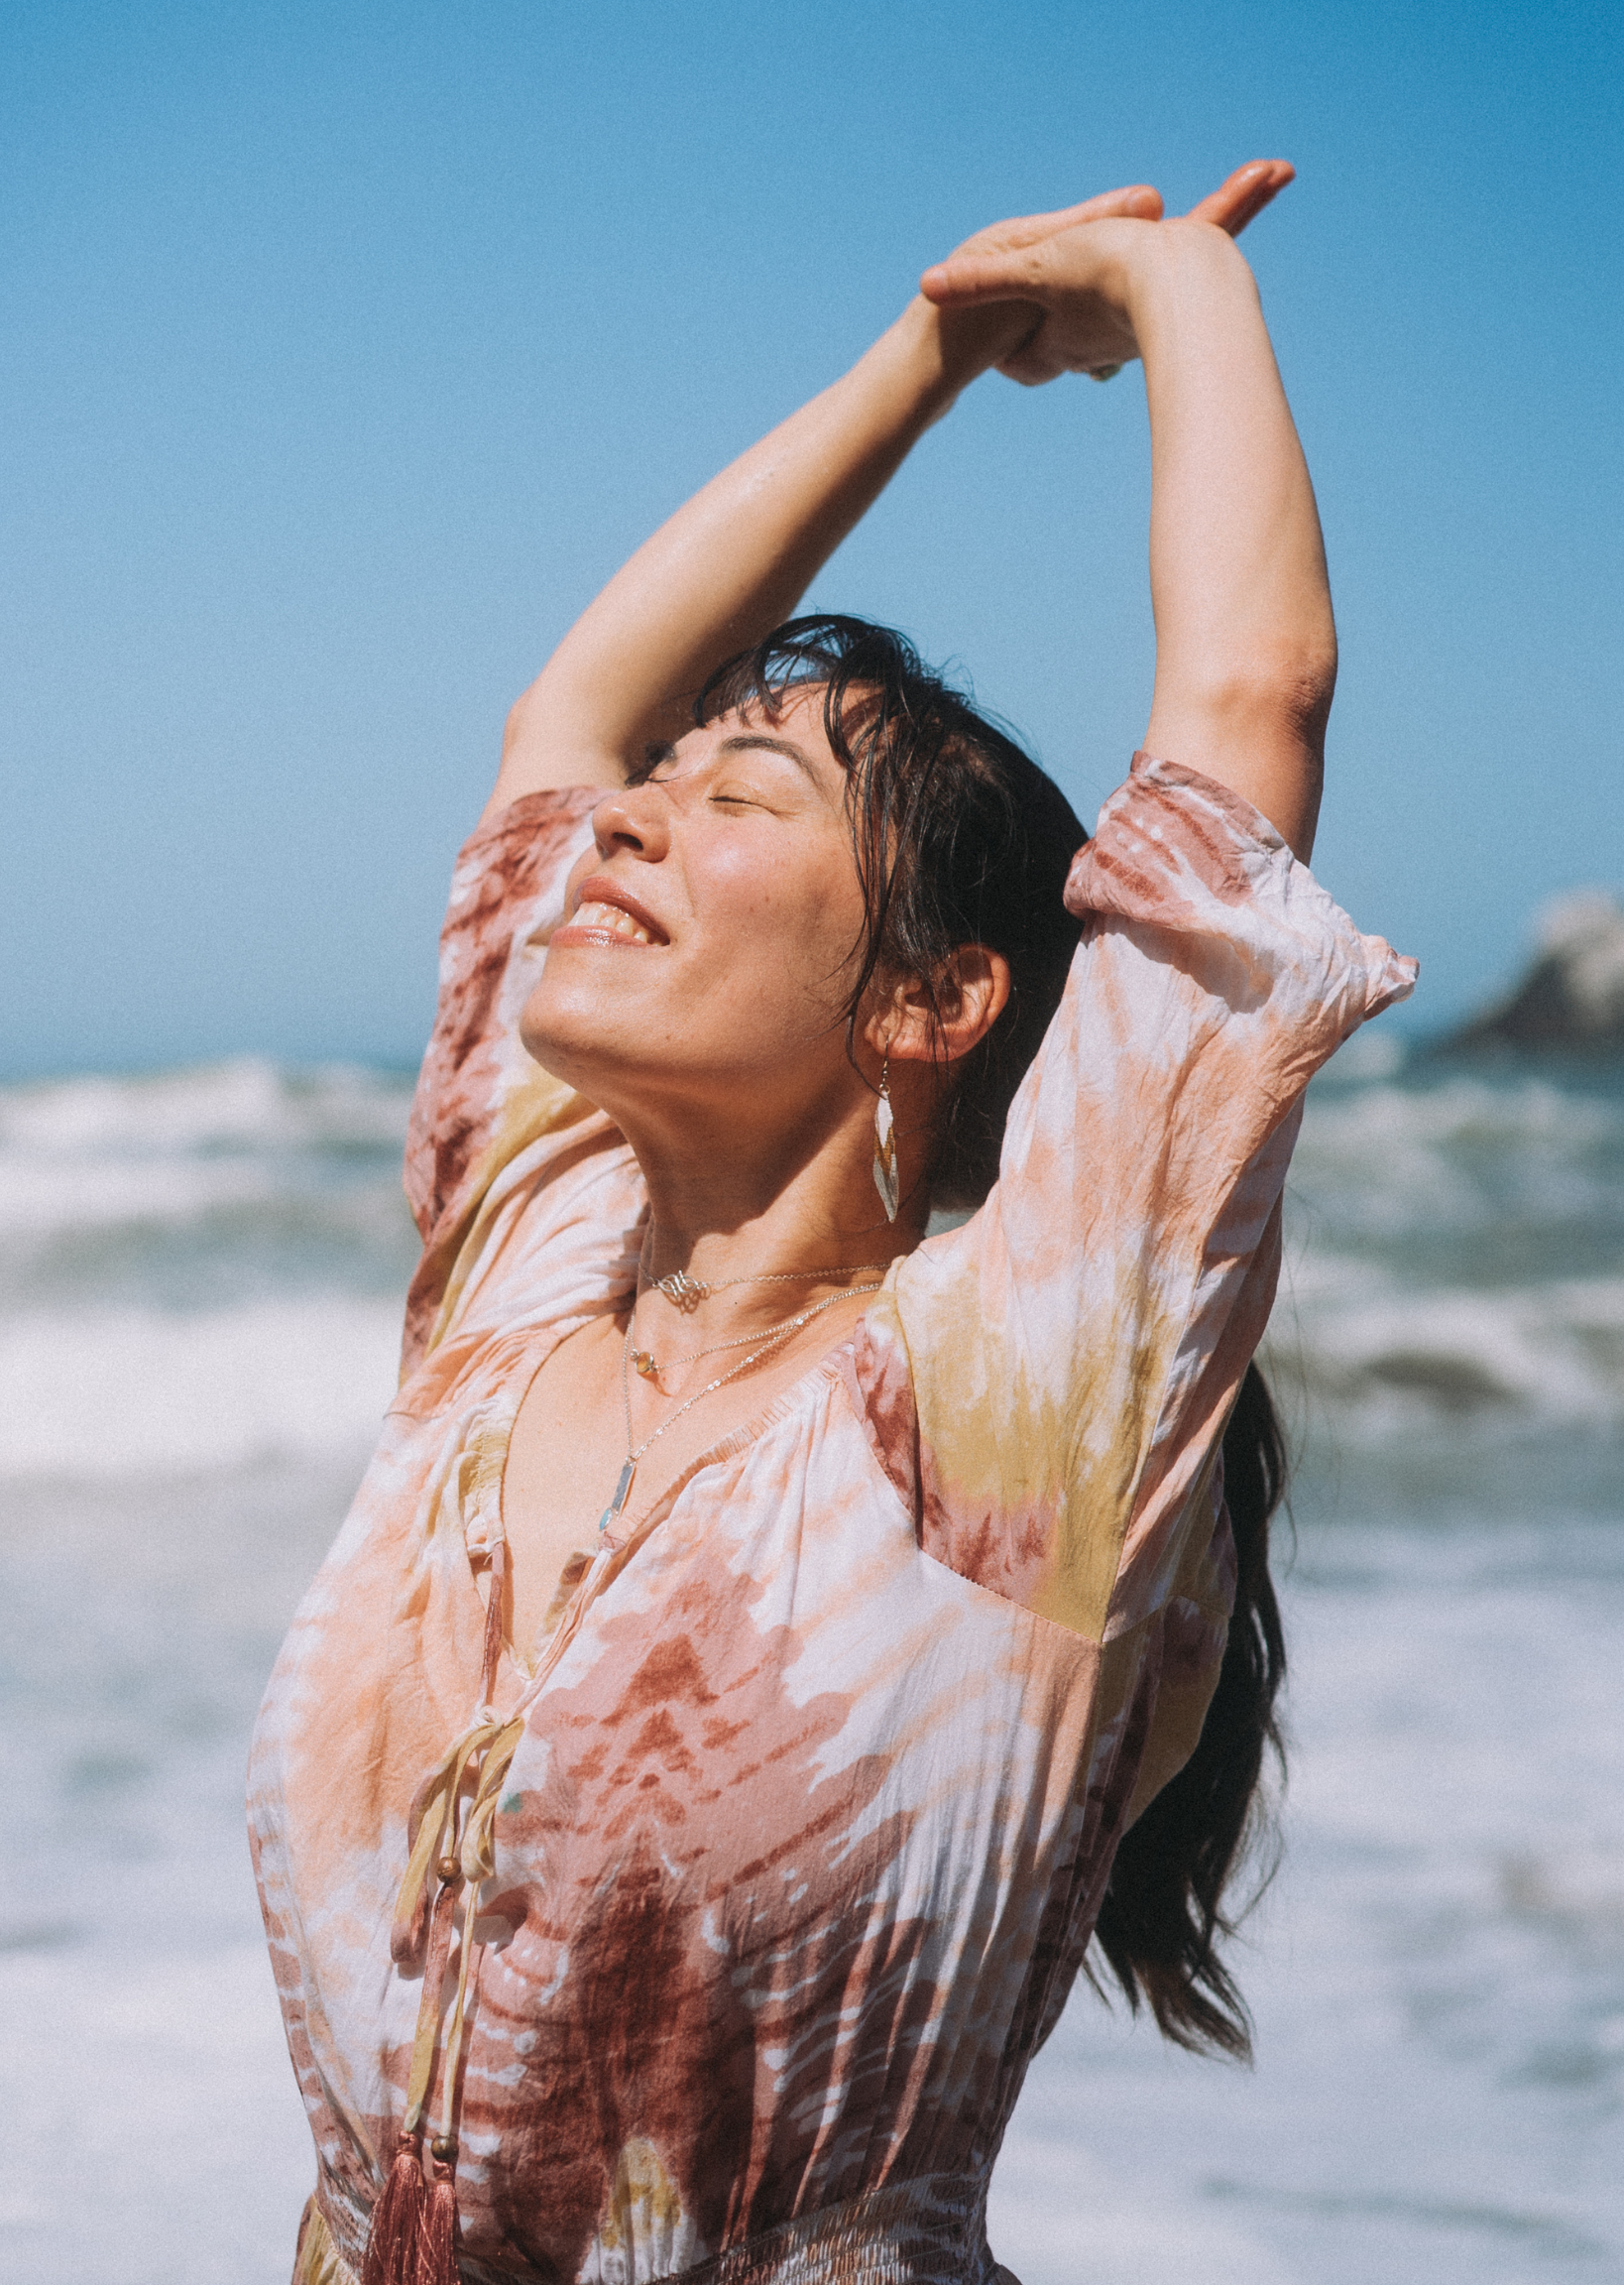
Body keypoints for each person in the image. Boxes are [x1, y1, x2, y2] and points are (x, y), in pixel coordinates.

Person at [248, 161, 1415, 2285]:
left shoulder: (1009, 1412)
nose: (630, 818)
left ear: (930, 1001)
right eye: (665, 794)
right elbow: (568, 724)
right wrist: (931, 353)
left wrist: (1168, 285)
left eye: (746, 800)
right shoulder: (522, 1284)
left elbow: (1250, 711)